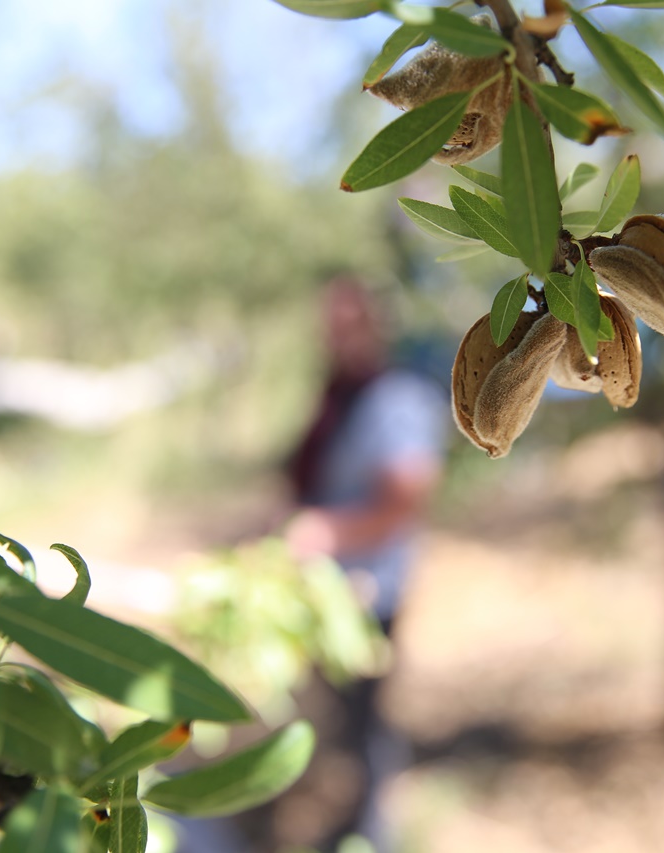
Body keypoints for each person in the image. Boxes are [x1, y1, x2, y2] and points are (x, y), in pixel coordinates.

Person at [280, 274, 449, 852]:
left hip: (368, 592)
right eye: (331, 325)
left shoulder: (395, 400)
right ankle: (352, 825)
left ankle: (372, 833)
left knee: (366, 725)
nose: (338, 336)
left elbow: (403, 503)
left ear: (376, 324)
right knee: (344, 721)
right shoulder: (340, 394)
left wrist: (324, 530)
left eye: (349, 323)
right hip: (331, 592)